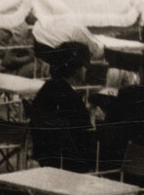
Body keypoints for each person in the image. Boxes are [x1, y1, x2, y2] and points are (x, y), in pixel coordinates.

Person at [25, 40, 97, 171]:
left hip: (44, 157)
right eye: (84, 66)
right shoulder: (71, 98)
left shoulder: (48, 88)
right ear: (76, 68)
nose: (86, 70)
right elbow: (84, 136)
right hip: (71, 164)